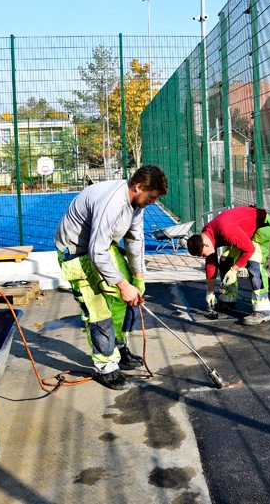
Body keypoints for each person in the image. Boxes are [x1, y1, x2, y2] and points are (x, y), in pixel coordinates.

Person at [54, 165, 168, 389]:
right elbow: (96, 252)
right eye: (152, 197)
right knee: (99, 311)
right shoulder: (112, 203)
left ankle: (117, 345)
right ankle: (106, 367)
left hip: (102, 247)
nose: (153, 202)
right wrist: (123, 285)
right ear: (139, 187)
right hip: (77, 252)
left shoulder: (136, 203)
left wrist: (137, 278)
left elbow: (134, 239)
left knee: (126, 299)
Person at [186, 206, 270, 326]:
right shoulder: (206, 234)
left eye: (202, 254)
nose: (203, 257)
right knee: (225, 261)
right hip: (243, 231)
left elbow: (249, 249)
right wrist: (210, 292)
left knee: (254, 265)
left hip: (261, 226)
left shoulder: (226, 230)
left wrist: (234, 270)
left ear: (205, 245)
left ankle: (262, 310)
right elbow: (211, 264)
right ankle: (229, 299)